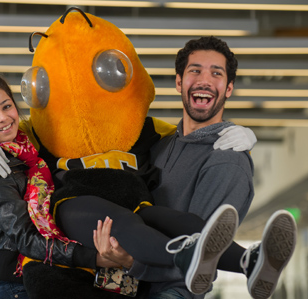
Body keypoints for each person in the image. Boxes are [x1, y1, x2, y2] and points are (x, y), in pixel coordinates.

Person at [93, 36, 297, 299]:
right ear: (179, 82)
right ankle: (250, 259)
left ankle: (249, 260)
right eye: (195, 70)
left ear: (229, 88)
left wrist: (133, 261)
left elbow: (204, 256)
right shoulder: (160, 145)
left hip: (172, 292)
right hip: (128, 286)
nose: (205, 80)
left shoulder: (227, 160)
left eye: (216, 73)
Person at [0, 74, 120, 299]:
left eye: (7, 106)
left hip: (49, 275)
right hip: (16, 285)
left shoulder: (29, 150)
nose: (3, 118)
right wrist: (90, 257)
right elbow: (23, 237)